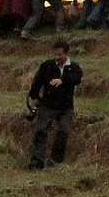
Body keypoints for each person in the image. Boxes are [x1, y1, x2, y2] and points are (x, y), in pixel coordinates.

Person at [26, 41, 82, 170]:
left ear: (66, 53)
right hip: (47, 104)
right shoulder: (47, 65)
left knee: (63, 131)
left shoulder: (74, 67)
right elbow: (38, 80)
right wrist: (33, 94)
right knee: (40, 131)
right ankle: (37, 161)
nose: (57, 57)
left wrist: (62, 80)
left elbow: (77, 79)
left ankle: (56, 160)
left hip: (66, 107)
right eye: (55, 54)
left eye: (59, 54)